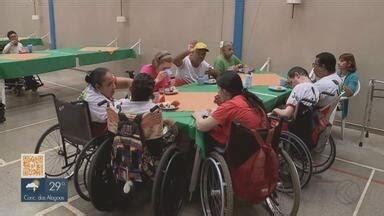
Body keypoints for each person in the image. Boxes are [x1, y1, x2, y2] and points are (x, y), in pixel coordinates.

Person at [193, 71, 267, 146]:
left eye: (218, 89)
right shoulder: (247, 98)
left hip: (240, 147)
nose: (218, 92)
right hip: (256, 142)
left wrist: (197, 115)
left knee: (206, 133)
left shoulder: (231, 105)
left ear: (224, 91)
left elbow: (202, 126)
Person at [79, 67, 132, 135]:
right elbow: (117, 120)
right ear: (98, 86)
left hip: (83, 128)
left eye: (114, 82)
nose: (114, 87)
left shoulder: (91, 87)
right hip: (102, 134)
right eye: (110, 84)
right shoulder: (98, 102)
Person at [337, 53, 359, 119]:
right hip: (331, 99)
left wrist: (339, 82)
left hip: (340, 103)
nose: (338, 63)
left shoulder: (353, 76)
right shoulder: (337, 74)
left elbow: (350, 93)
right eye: (339, 60)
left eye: (342, 61)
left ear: (349, 64)